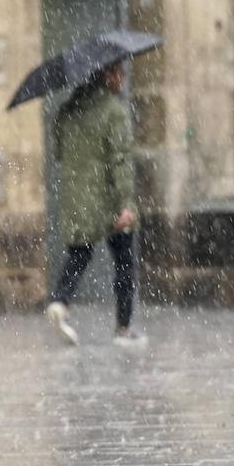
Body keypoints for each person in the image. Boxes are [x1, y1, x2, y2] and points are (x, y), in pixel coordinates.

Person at [45, 61, 144, 346]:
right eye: (120, 73)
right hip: (110, 198)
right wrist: (126, 203)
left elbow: (60, 152)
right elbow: (121, 159)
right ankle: (123, 328)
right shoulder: (114, 111)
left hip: (78, 197)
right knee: (124, 261)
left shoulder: (68, 110)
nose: (123, 79)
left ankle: (60, 302)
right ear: (107, 75)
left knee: (79, 253)